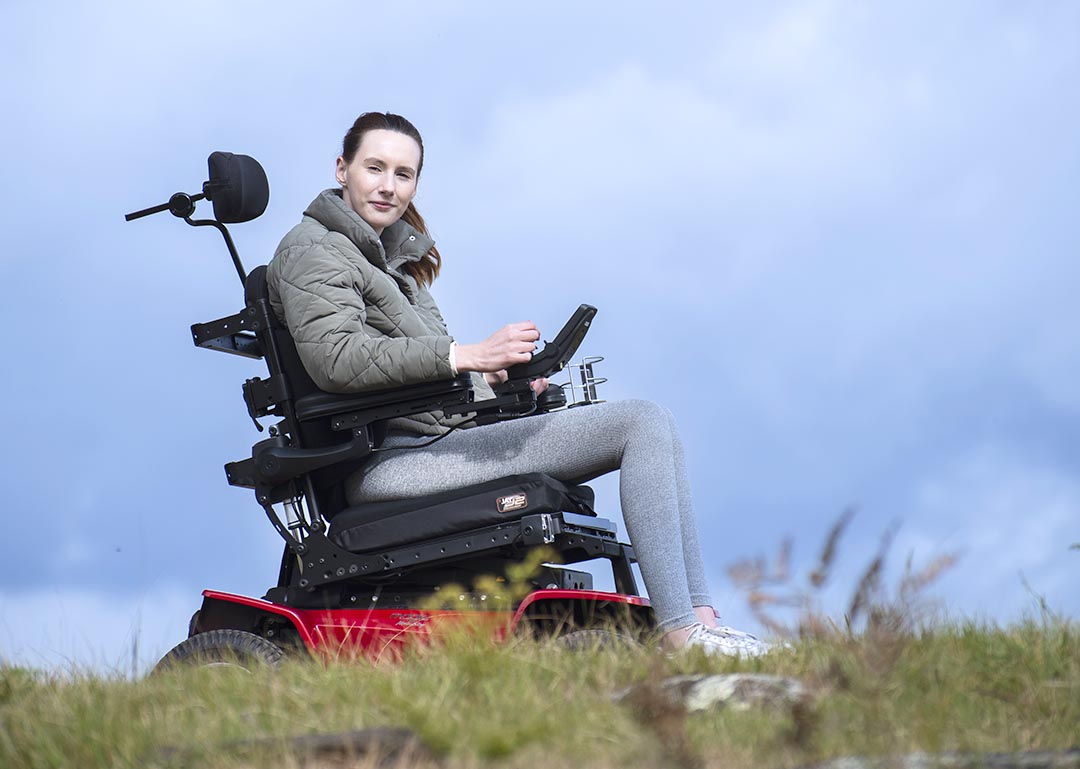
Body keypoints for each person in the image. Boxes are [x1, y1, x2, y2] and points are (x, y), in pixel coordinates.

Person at [267, 112, 769, 656]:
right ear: (342, 168)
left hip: (433, 442)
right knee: (640, 423)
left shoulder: (392, 263)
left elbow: (428, 381)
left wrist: (499, 385)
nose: (389, 186)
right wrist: (468, 355)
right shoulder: (311, 250)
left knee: (657, 423)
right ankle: (682, 633)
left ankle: (700, 619)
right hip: (387, 462)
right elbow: (337, 360)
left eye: (405, 174)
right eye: (375, 168)